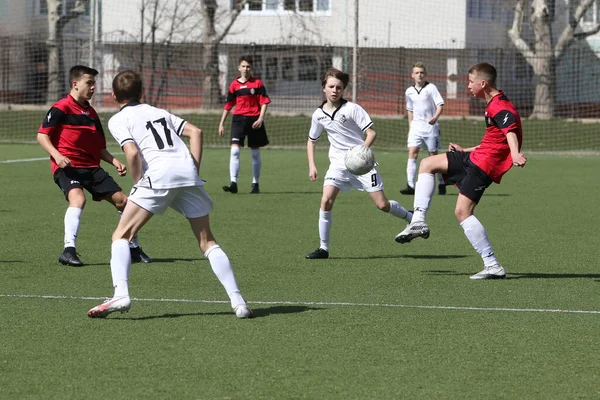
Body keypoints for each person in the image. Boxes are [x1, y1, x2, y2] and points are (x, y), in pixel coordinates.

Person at [88, 70, 253, 319]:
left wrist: (137, 184)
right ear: (141, 93)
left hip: (158, 174)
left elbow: (131, 153)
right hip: (186, 172)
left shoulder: (118, 119)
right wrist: (193, 171)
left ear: (113, 96)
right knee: (207, 242)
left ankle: (121, 294)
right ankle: (238, 302)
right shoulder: (158, 112)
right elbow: (196, 132)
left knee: (121, 235)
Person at [395, 62, 527, 280]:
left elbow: (510, 129)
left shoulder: (500, 106)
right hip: (477, 156)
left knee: (462, 212)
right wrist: (465, 150)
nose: (468, 86)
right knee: (428, 164)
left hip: (484, 166)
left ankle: (492, 265)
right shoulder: (492, 102)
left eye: (470, 81)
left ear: (483, 83)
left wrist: (514, 153)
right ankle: (418, 221)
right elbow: (493, 141)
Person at [37, 65, 151, 267]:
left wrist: (114, 161)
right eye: (89, 83)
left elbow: (99, 148)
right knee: (78, 198)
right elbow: (42, 135)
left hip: (91, 168)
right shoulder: (61, 108)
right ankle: (68, 250)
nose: (93, 87)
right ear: (75, 84)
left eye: (94, 83)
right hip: (67, 167)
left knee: (123, 201)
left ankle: (133, 248)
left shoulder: (91, 113)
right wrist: (57, 155)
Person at [305, 68, 413, 259]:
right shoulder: (318, 115)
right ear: (324, 88)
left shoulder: (352, 109)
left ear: (343, 89)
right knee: (326, 200)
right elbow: (311, 140)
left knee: (382, 205)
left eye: (339, 87)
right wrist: (312, 165)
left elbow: (371, 133)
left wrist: (361, 153)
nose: (334, 90)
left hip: (362, 164)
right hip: (338, 164)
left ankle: (411, 218)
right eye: (331, 86)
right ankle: (323, 248)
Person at [219, 55, 271, 194]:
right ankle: (233, 183)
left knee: (254, 153)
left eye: (248, 66)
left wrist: (260, 118)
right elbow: (229, 105)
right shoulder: (234, 85)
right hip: (238, 120)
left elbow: (264, 102)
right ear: (239, 68)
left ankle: (255, 184)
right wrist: (221, 123)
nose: (245, 69)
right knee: (234, 151)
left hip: (254, 120)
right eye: (243, 66)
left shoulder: (257, 83)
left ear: (251, 68)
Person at [400, 62, 446, 196]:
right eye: (417, 73)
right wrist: (410, 127)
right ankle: (410, 185)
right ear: (412, 75)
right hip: (416, 128)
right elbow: (410, 110)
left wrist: (435, 117)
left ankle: (441, 183)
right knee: (413, 152)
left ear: (425, 75)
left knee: (433, 156)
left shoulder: (431, 88)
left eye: (422, 73)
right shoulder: (409, 91)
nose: (419, 75)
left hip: (430, 128)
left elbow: (440, 105)